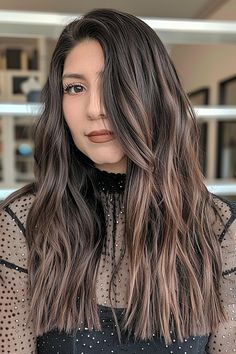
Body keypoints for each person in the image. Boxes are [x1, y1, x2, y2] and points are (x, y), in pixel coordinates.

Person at [0, 8, 235, 354]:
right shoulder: (24, 223)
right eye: (75, 87)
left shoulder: (218, 227)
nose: (95, 108)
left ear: (155, 94)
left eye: (115, 83)